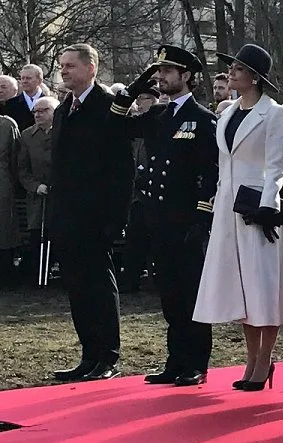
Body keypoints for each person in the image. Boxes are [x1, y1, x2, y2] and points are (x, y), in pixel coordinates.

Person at [193, 44, 283, 391]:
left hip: (259, 210)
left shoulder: (273, 114)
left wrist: (269, 207)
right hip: (228, 208)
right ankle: (250, 356)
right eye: (231, 69)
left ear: (254, 77)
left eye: (238, 69)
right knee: (240, 287)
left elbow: (276, 165)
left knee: (263, 285)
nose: (230, 74)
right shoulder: (226, 114)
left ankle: (264, 359)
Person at [110, 45, 217, 387]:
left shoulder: (202, 119)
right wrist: (135, 86)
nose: (161, 76)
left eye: (167, 71)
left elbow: (211, 173)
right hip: (159, 220)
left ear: (186, 76)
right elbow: (116, 125)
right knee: (169, 294)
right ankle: (176, 360)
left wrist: (202, 218)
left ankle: (196, 363)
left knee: (190, 295)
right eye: (158, 71)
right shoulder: (157, 116)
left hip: (186, 221)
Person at [50, 44, 134, 382]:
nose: (65, 71)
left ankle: (107, 356)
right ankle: (89, 354)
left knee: (99, 286)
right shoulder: (62, 111)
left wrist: (116, 220)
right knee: (77, 288)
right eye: (62, 66)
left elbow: (122, 170)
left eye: (71, 65)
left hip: (97, 217)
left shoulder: (107, 109)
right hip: (68, 217)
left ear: (91, 68)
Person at [118, 84, 160, 293]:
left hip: (156, 193)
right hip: (135, 195)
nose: (140, 102)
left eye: (145, 98)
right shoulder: (135, 127)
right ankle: (130, 279)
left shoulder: (158, 123)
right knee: (134, 240)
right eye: (140, 98)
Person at [17, 97, 60, 282]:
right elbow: (22, 169)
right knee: (37, 235)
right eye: (35, 111)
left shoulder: (63, 131)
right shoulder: (27, 136)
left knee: (60, 233)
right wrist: (35, 186)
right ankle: (37, 275)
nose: (38, 114)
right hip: (37, 197)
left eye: (43, 111)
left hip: (61, 196)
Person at [0, 114, 20, 287]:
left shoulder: (7, 125)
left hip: (3, 183)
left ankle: (5, 274)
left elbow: (16, 159)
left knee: (4, 229)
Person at [5, 64, 45, 131]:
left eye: (28, 78)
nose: (24, 81)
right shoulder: (10, 104)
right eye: (22, 78)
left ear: (39, 80)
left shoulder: (50, 103)